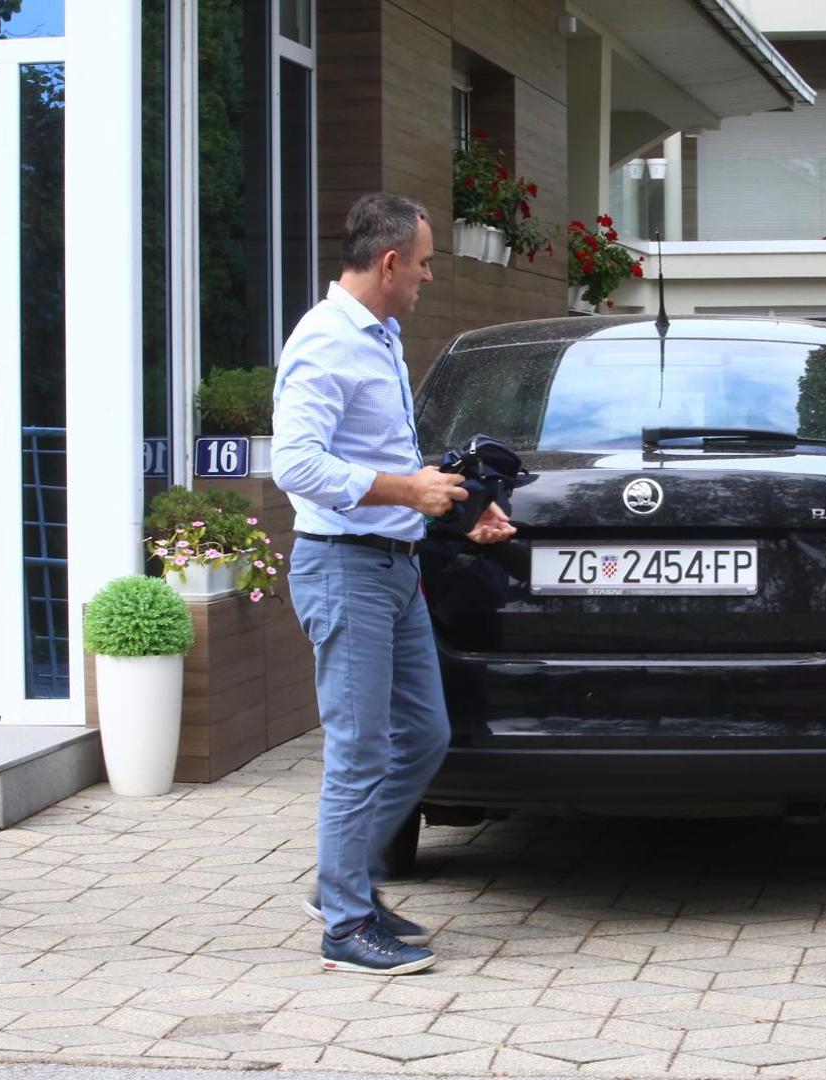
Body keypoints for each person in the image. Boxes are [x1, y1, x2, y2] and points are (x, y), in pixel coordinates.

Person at [272, 192, 515, 975]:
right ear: (387, 263)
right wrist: (407, 492)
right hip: (344, 568)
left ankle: (342, 884)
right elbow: (297, 465)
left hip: (394, 564)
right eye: (423, 262)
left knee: (424, 737)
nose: (430, 277)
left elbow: (390, 460)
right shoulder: (324, 343)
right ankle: (345, 923)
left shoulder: (380, 336)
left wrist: (456, 506)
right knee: (359, 749)